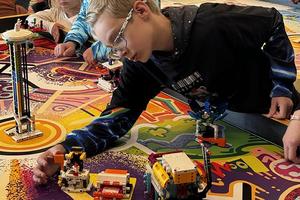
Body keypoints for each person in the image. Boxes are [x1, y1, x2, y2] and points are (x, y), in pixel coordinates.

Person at [33, 0, 300, 185]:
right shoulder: (141, 64)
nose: (119, 52)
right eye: (111, 47)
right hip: (229, 119)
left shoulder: (212, 23)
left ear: (140, 10)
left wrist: (282, 86)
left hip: (277, 114)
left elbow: (273, 22)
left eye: (117, 39)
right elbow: (116, 118)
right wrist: (65, 148)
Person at [53, 0, 109, 65]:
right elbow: (83, 20)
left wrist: (99, 49)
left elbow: (121, 32)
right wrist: (72, 41)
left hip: (117, 57)